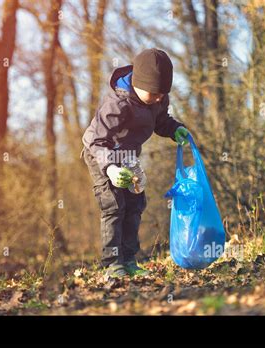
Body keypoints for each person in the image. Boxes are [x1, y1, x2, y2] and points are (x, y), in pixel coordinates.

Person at [81, 48, 190, 278]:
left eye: (163, 93)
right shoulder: (117, 104)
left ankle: (129, 259)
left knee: (135, 203)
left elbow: (161, 121)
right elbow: (97, 141)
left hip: (128, 157)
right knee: (114, 205)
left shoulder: (157, 99)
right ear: (139, 84)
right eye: (154, 93)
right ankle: (112, 264)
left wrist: (175, 129)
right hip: (101, 155)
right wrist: (110, 168)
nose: (159, 98)